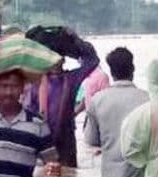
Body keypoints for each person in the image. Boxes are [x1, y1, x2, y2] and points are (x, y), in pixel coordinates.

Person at [84, 47, 150, 177]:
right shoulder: (147, 99)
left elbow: (91, 140)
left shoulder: (98, 100)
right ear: (133, 69)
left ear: (111, 72)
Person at [23, 26, 100, 168]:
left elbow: (92, 60)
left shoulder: (71, 79)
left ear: (63, 59)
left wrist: (75, 39)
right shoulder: (34, 81)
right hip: (40, 145)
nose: (54, 60)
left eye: (57, 56)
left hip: (65, 145)